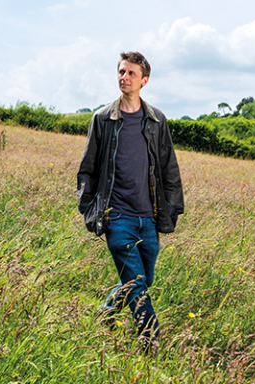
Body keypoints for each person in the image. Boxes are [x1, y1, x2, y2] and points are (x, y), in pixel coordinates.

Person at [77, 51, 184, 342]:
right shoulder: (103, 119)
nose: (124, 78)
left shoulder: (157, 120)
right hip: (117, 217)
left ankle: (106, 312)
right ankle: (151, 341)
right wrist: (90, 209)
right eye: (121, 72)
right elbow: (87, 169)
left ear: (144, 80)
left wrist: (171, 211)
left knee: (143, 281)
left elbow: (168, 168)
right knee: (137, 284)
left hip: (147, 218)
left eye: (131, 73)